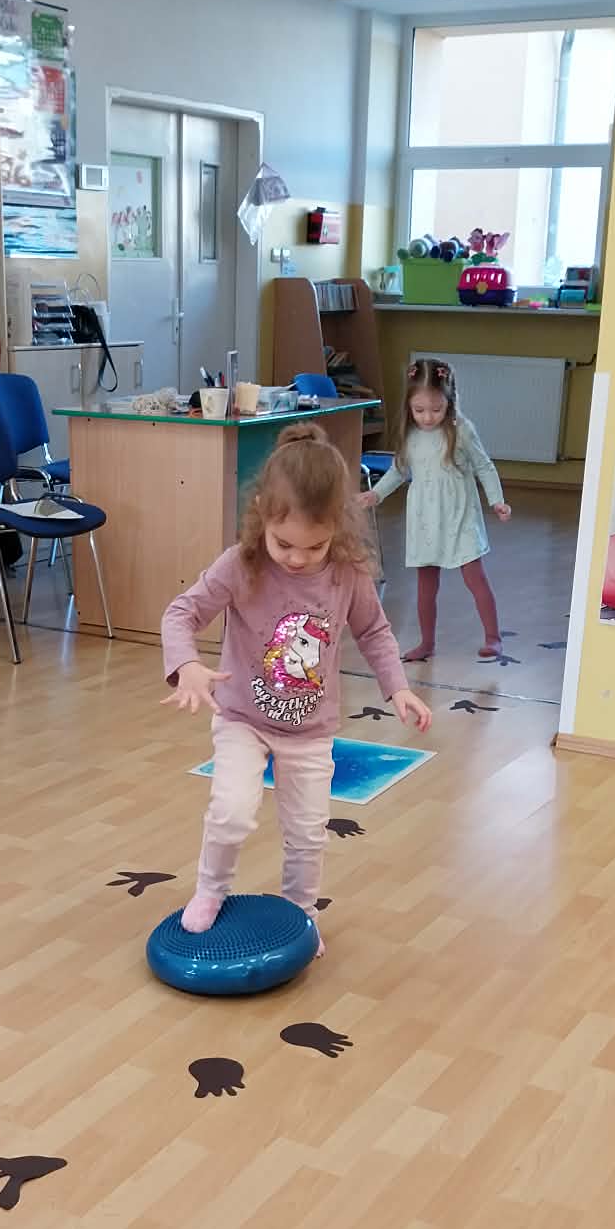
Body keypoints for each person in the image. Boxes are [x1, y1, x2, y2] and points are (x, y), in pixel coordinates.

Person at [162, 424, 431, 950]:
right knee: (231, 813)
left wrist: (397, 687)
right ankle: (210, 890)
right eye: (284, 543)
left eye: (315, 546)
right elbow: (181, 613)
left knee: (308, 833)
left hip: (310, 730)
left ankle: (300, 915)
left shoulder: (347, 573)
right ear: (261, 512)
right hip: (243, 718)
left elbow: (374, 631)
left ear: (339, 527)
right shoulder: (241, 565)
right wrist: (187, 664)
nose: (297, 558)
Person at [362, 357, 511, 661]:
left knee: (475, 577)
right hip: (425, 519)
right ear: (409, 406)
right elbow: (399, 470)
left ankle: (493, 638)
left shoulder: (461, 430)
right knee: (426, 584)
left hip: (459, 515)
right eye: (419, 410)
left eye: (436, 409)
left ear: (449, 402)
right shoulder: (410, 434)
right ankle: (426, 642)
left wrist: (496, 500)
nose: (428, 418)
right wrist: (376, 495)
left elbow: (484, 465)